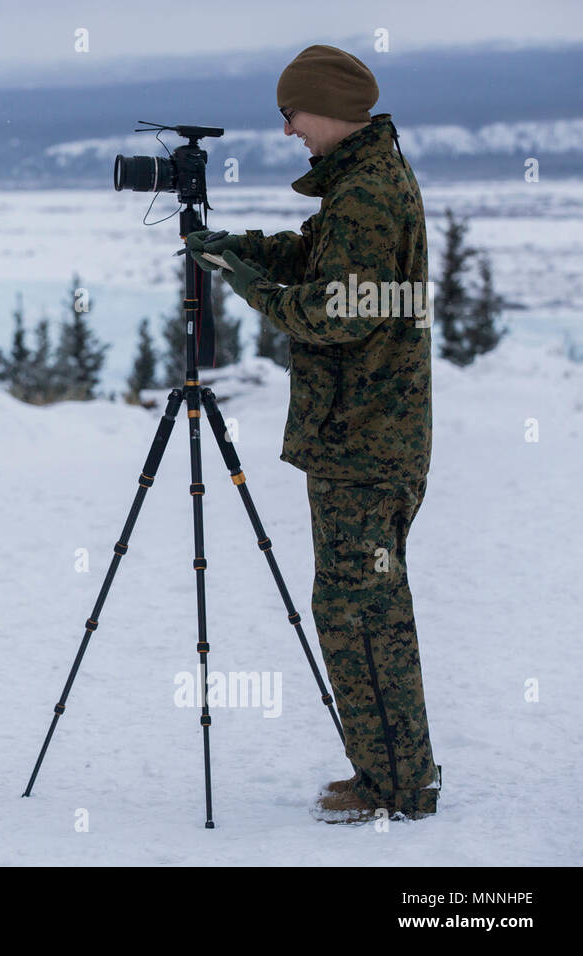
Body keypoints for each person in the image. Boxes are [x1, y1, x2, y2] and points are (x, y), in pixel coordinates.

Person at [188, 44, 440, 823]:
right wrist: (244, 250)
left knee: (361, 609)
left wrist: (252, 287)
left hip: (367, 440)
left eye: (292, 112)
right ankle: (395, 772)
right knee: (361, 605)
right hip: (365, 436)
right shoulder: (365, 182)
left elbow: (333, 312)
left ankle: (398, 783)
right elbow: (320, 261)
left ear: (328, 106)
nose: (290, 128)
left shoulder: (367, 192)